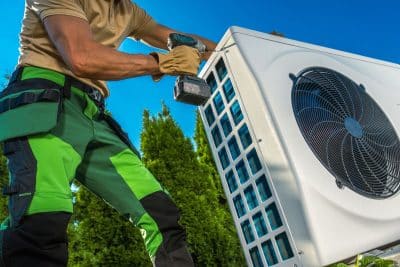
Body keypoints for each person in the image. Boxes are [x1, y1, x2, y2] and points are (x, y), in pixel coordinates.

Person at [0, 0, 217, 266]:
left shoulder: (128, 10)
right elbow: (81, 58)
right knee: (43, 215)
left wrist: (234, 48)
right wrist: (160, 63)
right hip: (46, 99)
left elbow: (176, 38)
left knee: (159, 212)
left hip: (93, 112)